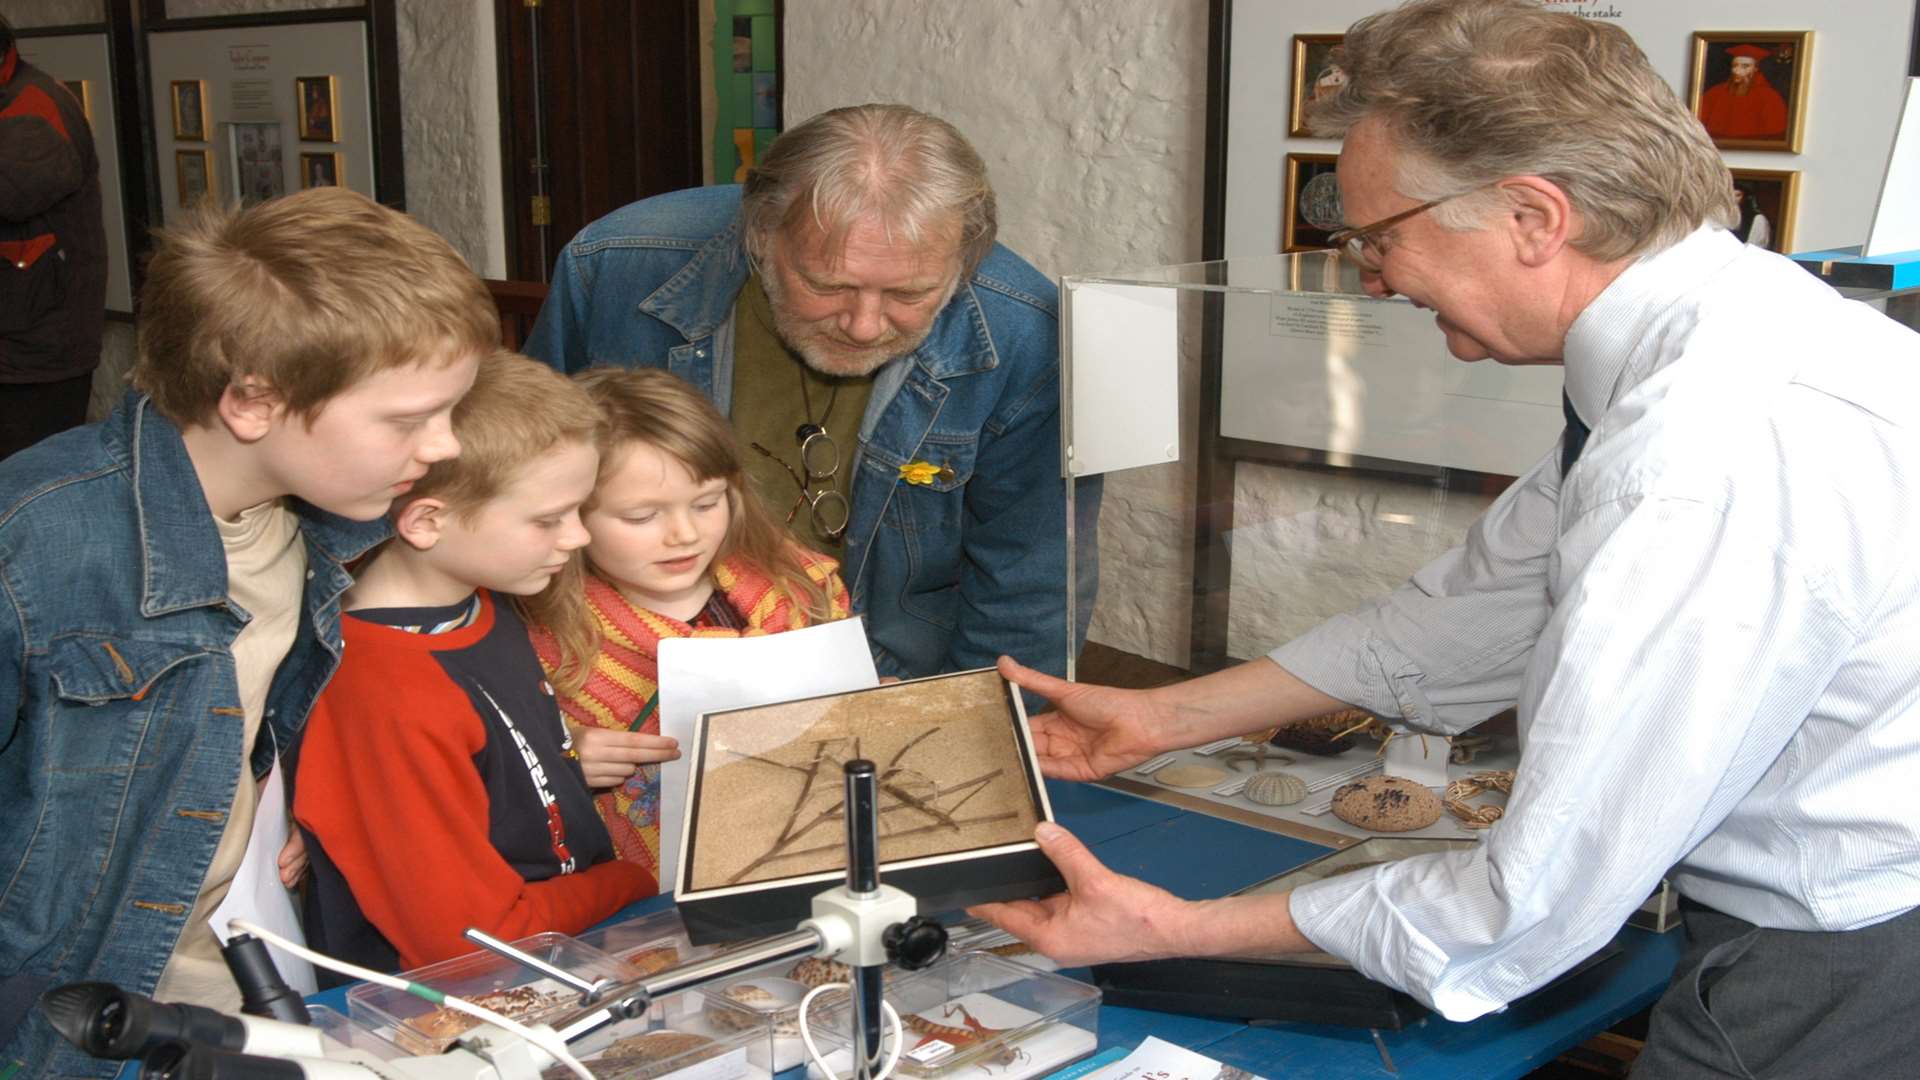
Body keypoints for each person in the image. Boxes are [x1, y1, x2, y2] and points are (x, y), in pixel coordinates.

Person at [971, 1, 1920, 1075]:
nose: (1374, 276)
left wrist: (1176, 932)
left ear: (1531, 216)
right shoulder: (1720, 333)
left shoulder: (1704, 453)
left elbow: (1531, 899)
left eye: (1384, 234)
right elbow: (1477, 609)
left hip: (1840, 965)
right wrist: (1161, 718)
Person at [0, 186, 496, 1079]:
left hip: (230, 1001)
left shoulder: (319, 526)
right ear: (254, 403)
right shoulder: (32, 545)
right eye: (409, 419)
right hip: (70, 1032)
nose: (446, 445)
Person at [524, 103, 1098, 690]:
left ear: (963, 260)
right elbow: (518, 490)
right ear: (762, 234)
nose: (865, 326)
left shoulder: (1027, 335)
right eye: (827, 285)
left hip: (892, 677)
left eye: (910, 293)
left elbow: (1031, 587)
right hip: (618, 661)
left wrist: (971, 730)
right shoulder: (617, 266)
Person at [294, 352, 651, 976]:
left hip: (561, 946)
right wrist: (631, 882)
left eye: (579, 509)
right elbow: (469, 941)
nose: (578, 538)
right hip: (465, 998)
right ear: (428, 522)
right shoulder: (383, 694)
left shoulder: (479, 597)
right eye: (547, 519)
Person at [524, 368, 851, 894]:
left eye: (705, 503)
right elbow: (491, 780)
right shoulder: (546, 640)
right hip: (640, 904)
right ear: (568, 515)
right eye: (641, 516)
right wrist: (564, 759)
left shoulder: (801, 591)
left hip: (820, 864)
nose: (685, 533)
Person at [0, 13, 108, 460]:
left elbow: (11, 193)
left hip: (36, 354)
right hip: (19, 341)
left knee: (27, 487)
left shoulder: (34, 106)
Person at [1696, 44, 1789, 141]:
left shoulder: (1770, 96)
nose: (1737, 70)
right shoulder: (1715, 93)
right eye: (1735, 65)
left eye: (1745, 66)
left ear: (1756, 69)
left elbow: (1775, 133)